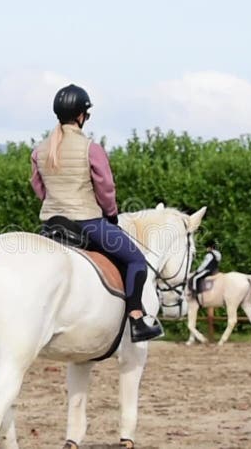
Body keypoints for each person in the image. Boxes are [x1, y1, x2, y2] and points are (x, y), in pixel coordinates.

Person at [30, 84, 163, 343]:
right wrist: (111, 214)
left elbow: (39, 188)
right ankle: (136, 318)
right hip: (87, 222)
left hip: (51, 224)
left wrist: (57, 203)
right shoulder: (90, 148)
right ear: (81, 115)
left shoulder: (39, 150)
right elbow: (106, 188)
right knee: (136, 259)